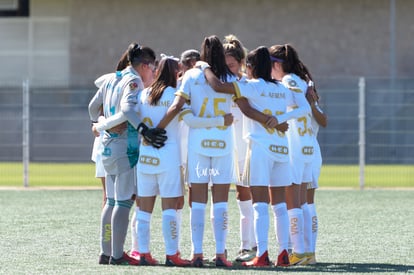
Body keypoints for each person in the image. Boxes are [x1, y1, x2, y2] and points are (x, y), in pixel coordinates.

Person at [199, 45, 312, 267]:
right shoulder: (281, 88)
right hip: (281, 150)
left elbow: (218, 86)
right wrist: (281, 119)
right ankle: (282, 254)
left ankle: (261, 254)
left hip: (260, 148)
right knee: (279, 205)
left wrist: (204, 67)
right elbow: (305, 107)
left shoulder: (249, 86)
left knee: (260, 204)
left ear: (249, 67)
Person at [88, 42, 167, 266]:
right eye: (153, 68)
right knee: (122, 202)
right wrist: (144, 130)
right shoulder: (133, 81)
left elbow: (92, 108)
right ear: (143, 65)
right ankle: (116, 254)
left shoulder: (111, 78)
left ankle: (105, 253)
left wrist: (99, 124)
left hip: (107, 146)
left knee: (111, 202)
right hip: (125, 147)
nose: (153, 72)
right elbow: (128, 110)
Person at [134, 55, 192, 266]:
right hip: (168, 157)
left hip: (145, 156)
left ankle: (143, 253)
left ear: (157, 72)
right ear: (177, 74)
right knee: (169, 208)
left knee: (144, 209)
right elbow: (189, 117)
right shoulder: (175, 95)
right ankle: (171, 254)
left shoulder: (144, 94)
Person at [269, 43, 314, 266]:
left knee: (292, 202)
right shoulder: (300, 80)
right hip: (307, 146)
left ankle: (298, 251)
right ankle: (307, 252)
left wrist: (279, 119)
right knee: (303, 202)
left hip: (294, 147)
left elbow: (304, 108)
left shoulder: (288, 81)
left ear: (277, 64)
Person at [222, 34, 256, 263]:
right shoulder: (217, 85)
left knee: (248, 195)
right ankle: (219, 248)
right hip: (223, 148)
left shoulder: (247, 85)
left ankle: (250, 245)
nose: (228, 70)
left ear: (241, 63)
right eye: (224, 65)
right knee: (224, 196)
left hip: (245, 148)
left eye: (232, 65)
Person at [304, 80, 328, 264]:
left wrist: (312, 103)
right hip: (290, 153)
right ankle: (294, 248)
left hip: (309, 153)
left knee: (307, 202)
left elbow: (323, 121)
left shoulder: (311, 102)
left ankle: (310, 251)